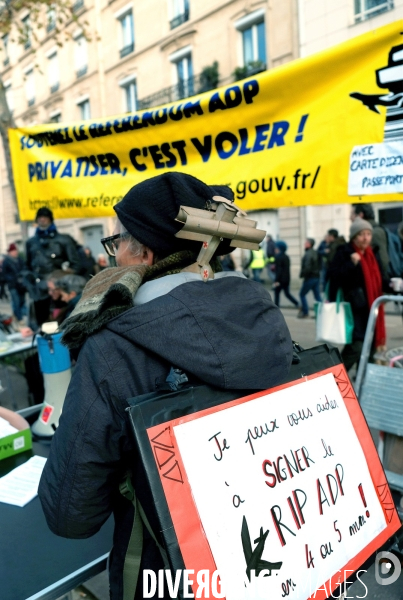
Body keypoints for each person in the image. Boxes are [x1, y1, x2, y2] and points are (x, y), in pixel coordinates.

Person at [38, 172, 293, 600]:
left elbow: (70, 514)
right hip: (271, 552)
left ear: (144, 254)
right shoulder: (265, 315)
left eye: (116, 241)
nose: (112, 253)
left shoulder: (114, 346)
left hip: (165, 573)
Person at [328, 218, 388, 373]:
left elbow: (381, 278)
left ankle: (364, 378)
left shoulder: (373, 254)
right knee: (356, 346)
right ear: (354, 236)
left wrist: (393, 286)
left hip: (371, 308)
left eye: (368, 234)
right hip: (352, 309)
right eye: (362, 234)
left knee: (372, 346)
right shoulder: (344, 252)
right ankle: (337, 376)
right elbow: (335, 277)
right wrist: (351, 264)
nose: (366, 238)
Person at [26, 207, 81, 326]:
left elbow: (76, 265)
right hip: (40, 292)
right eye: (39, 218)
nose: (42, 220)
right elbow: (28, 268)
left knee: (61, 326)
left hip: (59, 293)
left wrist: (60, 282)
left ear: (50, 219)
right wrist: (32, 286)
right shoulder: (31, 242)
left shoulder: (63, 240)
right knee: (42, 326)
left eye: (45, 217)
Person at [351, 203, 389, 276]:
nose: (350, 218)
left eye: (353, 214)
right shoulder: (377, 230)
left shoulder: (374, 233)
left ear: (360, 215)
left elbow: (383, 262)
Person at [2, 243, 27, 325]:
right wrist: (14, 279)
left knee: (22, 301)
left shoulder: (20, 259)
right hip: (13, 285)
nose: (15, 252)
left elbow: (24, 268)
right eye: (13, 251)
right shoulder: (6, 261)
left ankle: (19, 316)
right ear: (10, 252)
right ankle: (19, 318)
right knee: (16, 302)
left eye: (15, 251)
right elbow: (5, 274)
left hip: (21, 285)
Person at [298, 238, 321, 318]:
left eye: (306, 242)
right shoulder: (315, 252)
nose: (304, 243)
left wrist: (303, 274)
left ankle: (305, 312)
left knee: (302, 294)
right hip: (316, 277)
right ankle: (321, 312)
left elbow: (307, 267)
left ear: (309, 244)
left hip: (310, 277)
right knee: (317, 295)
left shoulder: (308, 254)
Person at [272, 241, 299, 308]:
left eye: (276, 248)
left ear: (279, 249)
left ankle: (276, 307)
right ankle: (297, 303)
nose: (275, 249)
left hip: (280, 280)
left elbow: (279, 270)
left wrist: (276, 280)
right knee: (287, 294)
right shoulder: (286, 256)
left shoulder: (278, 257)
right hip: (286, 279)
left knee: (277, 293)